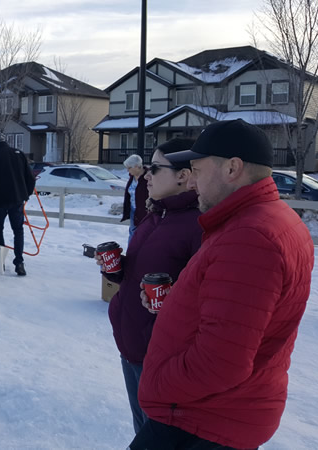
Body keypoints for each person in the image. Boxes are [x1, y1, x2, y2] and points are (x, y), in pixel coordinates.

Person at [131, 119, 315, 449]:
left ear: (232, 168)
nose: (192, 183)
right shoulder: (266, 219)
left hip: (203, 419)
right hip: (215, 412)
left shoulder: (251, 236)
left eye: (198, 170)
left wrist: (155, 383)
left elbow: (221, 363)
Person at [96, 138, 202, 434]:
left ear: (183, 176)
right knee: (141, 430)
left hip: (160, 355)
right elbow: (144, 272)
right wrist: (118, 269)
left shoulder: (199, 225)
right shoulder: (157, 214)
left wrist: (168, 303)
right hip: (132, 345)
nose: (146, 175)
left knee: (156, 437)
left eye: (154, 168)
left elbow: (203, 300)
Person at [0, 131, 36, 276]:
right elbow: (30, 178)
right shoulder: (19, 154)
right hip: (17, 199)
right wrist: (26, 194)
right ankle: (19, 262)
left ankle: (0, 260)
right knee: (18, 230)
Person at [121, 154, 149, 244]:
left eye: (129, 168)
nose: (127, 170)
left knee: (145, 234)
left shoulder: (148, 177)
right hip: (134, 210)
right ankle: (131, 253)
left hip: (146, 211)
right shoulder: (131, 177)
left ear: (137, 167)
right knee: (132, 233)